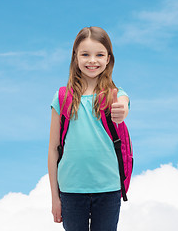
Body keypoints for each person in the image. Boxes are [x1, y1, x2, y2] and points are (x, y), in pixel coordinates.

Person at [48, 26, 130, 231]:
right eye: (85, 54)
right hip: (70, 190)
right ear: (75, 57)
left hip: (109, 188)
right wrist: (55, 198)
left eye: (99, 54)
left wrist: (122, 109)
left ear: (108, 58)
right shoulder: (61, 98)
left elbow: (124, 102)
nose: (92, 60)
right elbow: (53, 149)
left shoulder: (115, 94)